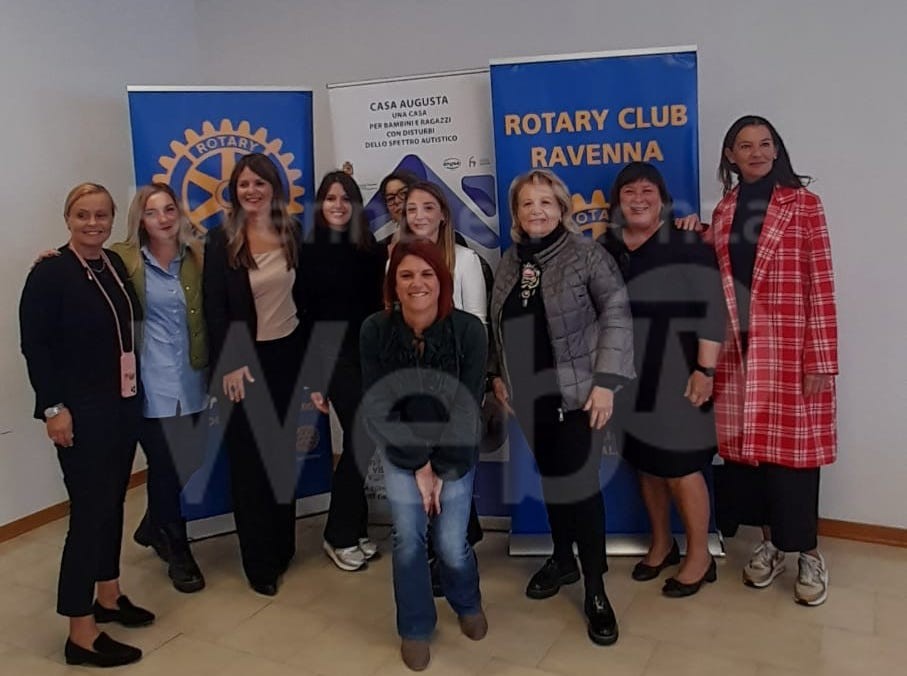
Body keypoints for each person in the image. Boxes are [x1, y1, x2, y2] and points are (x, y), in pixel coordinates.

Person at [685, 115, 838, 606]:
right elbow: (722, 271)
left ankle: (808, 553)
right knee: (753, 458)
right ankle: (771, 545)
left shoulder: (804, 205)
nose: (756, 153)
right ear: (730, 156)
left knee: (796, 460)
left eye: (765, 144)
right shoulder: (726, 210)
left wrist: (821, 357)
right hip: (739, 353)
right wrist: (694, 231)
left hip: (792, 349)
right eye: (745, 145)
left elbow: (821, 282)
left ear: (777, 149)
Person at [489, 169, 634, 646]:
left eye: (545, 202)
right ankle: (562, 559)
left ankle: (595, 589)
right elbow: (496, 323)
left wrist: (607, 383)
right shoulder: (509, 261)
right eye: (527, 203)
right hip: (529, 397)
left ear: (561, 209)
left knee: (581, 489)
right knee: (552, 481)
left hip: (579, 397)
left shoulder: (587, 256)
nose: (536, 211)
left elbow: (617, 316)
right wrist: (497, 375)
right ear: (516, 213)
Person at [20, 183, 154, 667]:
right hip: (80, 410)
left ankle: (109, 596)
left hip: (121, 403)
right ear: (68, 219)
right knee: (89, 514)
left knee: (113, 504)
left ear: (112, 218)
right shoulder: (50, 273)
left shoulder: (112, 264)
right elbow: (35, 346)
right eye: (83, 215)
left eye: (101, 215)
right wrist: (53, 408)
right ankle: (80, 632)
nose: (92, 223)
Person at [359, 239, 488, 671]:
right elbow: (379, 405)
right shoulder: (374, 330)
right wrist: (418, 463)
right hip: (400, 447)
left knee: (451, 543)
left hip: (456, 446)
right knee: (408, 539)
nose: (417, 283)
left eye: (427, 274)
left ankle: (466, 601)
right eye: (406, 275)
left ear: (442, 280)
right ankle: (414, 627)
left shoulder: (469, 331)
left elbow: (467, 407)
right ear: (393, 285)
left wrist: (440, 466)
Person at [599, 162, 725, 597]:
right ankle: (661, 544)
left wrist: (705, 370)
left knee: (681, 468)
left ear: (662, 200)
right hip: (628, 378)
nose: (638, 199)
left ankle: (699, 556)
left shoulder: (686, 243)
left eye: (647, 190)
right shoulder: (607, 248)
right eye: (628, 191)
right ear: (617, 202)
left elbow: (712, 309)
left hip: (681, 375)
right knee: (646, 464)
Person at [203, 153, 307, 596]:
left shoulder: (292, 231)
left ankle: (283, 546)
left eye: (259, 183)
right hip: (243, 363)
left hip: (288, 356)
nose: (251, 191)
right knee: (249, 465)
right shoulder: (221, 240)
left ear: (273, 187)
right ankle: (259, 563)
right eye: (244, 184)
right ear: (234, 190)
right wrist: (230, 362)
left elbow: (306, 296)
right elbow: (215, 308)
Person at [112, 183, 208, 594]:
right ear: (140, 219)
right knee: (166, 466)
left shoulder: (197, 254)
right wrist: (51, 259)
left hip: (193, 375)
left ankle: (153, 524)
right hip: (150, 380)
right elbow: (80, 269)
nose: (163, 218)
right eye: (152, 212)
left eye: (169, 209)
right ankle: (177, 549)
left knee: (192, 458)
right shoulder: (122, 259)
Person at [397, 180, 487, 591]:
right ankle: (441, 553)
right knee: (422, 477)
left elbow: (478, 328)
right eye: (411, 209)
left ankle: (454, 555)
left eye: (427, 208)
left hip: (456, 391)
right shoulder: (394, 260)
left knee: (451, 475)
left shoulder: (465, 261)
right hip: (413, 394)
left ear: (443, 215)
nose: (418, 216)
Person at [302, 171, 387, 572]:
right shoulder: (308, 252)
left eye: (344, 198)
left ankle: (354, 527)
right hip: (332, 358)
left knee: (363, 442)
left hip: (369, 355)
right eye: (330, 197)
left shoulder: (371, 250)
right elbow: (306, 318)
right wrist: (315, 380)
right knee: (361, 437)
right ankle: (338, 534)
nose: (337, 205)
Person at [373, 169, 419, 245]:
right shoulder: (384, 247)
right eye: (390, 198)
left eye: (403, 193)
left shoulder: (439, 238)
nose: (397, 201)